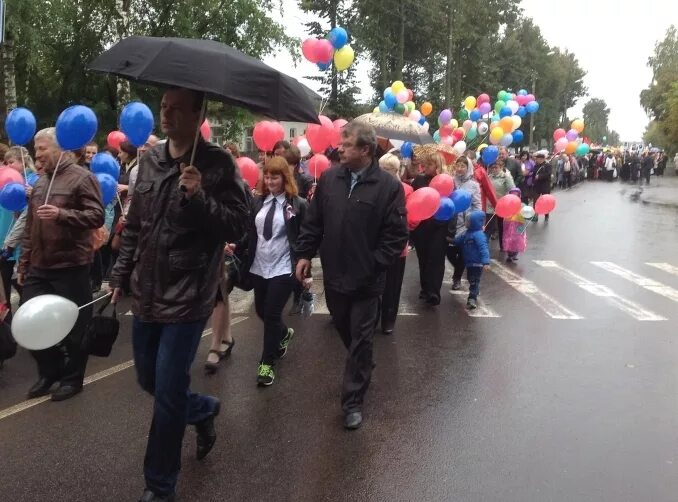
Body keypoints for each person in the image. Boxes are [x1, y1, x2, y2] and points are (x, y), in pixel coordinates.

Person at [109, 87, 249, 502]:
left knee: (168, 393)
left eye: (174, 109)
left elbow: (238, 228)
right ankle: (203, 409)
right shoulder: (149, 160)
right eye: (163, 108)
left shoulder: (218, 165)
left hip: (188, 295)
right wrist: (119, 274)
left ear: (196, 113)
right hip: (145, 292)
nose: (165, 115)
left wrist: (199, 196)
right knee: (149, 380)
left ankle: (160, 485)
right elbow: (134, 223)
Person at [294, 122, 408, 430]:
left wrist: (374, 264)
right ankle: (362, 363)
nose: (339, 148)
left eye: (347, 145)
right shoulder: (330, 179)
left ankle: (353, 401)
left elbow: (395, 236)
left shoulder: (388, 186)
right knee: (344, 329)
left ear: (366, 150)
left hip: (367, 281)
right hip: (334, 276)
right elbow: (313, 223)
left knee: (360, 337)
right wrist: (304, 253)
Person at [18, 127, 105, 401]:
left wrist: (62, 214)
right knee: (27, 322)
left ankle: (72, 378)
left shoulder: (82, 178)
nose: (36, 153)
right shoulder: (40, 181)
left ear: (60, 148)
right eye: (35, 149)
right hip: (39, 265)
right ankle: (51, 370)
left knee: (76, 327)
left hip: (71, 264)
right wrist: (24, 262)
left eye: (41, 148)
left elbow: (96, 216)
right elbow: (31, 225)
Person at [247, 156, 307, 385]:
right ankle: (283, 334)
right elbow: (250, 232)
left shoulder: (297, 204)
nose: (271, 181)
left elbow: (305, 236)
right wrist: (236, 245)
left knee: (272, 314)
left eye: (276, 176)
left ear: (285, 178)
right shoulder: (258, 202)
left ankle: (266, 364)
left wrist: (304, 265)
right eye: (268, 176)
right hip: (259, 265)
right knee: (262, 311)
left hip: (283, 267)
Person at [0, 147, 36, 316]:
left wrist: (32, 194)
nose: (8, 166)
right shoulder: (7, 179)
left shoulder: (33, 180)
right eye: (6, 163)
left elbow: (27, 216)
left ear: (23, 161)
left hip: (22, 244)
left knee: (24, 286)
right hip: (7, 240)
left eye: (11, 162)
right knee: (5, 285)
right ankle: (7, 325)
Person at [410, 150, 447, 306]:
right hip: (421, 225)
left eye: (430, 163)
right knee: (423, 258)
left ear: (437, 165)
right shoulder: (418, 180)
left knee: (436, 259)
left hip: (439, 226)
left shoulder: (445, 181)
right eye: (425, 163)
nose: (425, 166)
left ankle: (434, 292)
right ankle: (425, 288)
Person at [378, 153, 408, 334]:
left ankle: (388, 319)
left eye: (387, 170)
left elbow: (408, 218)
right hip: (376, 244)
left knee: (393, 286)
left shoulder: (405, 189)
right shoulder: (373, 187)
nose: (383, 173)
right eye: (381, 169)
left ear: (396, 171)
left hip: (397, 246)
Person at [282, 145, 313, 315]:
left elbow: (307, 201)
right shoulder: (282, 177)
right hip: (288, 219)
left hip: (299, 215)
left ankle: (299, 295)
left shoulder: (305, 179)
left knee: (300, 257)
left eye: (290, 164)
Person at [447, 156, 481, 291]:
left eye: (463, 166)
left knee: (461, 253)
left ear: (468, 168)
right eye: (458, 165)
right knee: (449, 252)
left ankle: (457, 278)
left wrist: (476, 221)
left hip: (466, 225)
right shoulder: (450, 181)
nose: (460, 169)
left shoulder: (474, 185)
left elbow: (477, 204)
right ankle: (459, 268)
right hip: (450, 223)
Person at [453, 210, 490, 310]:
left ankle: (472, 298)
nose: (466, 223)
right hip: (469, 263)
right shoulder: (467, 232)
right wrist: (451, 240)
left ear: (474, 222)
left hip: (477, 263)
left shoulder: (479, 235)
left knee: (474, 280)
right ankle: (474, 291)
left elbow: (483, 248)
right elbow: (458, 240)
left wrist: (485, 262)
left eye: (468, 221)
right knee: (471, 279)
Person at [486, 160, 515, 250]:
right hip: (490, 205)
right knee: (488, 226)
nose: (494, 169)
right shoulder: (488, 177)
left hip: (502, 205)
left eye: (496, 167)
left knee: (501, 226)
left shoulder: (506, 177)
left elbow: (512, 189)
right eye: (492, 167)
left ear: (501, 167)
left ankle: (503, 246)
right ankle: (484, 245)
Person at [503, 187, 528, 262]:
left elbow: (526, 214)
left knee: (515, 238)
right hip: (511, 223)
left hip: (518, 223)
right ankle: (511, 254)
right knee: (512, 238)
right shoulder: (508, 204)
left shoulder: (522, 205)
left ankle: (513, 254)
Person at [533, 152, 552, 221]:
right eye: (537, 159)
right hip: (537, 186)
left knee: (545, 201)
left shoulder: (547, 165)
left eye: (540, 159)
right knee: (536, 201)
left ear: (543, 159)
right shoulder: (535, 166)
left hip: (545, 186)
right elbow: (533, 174)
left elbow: (548, 174)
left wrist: (540, 176)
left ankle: (546, 214)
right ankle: (535, 214)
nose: (538, 160)